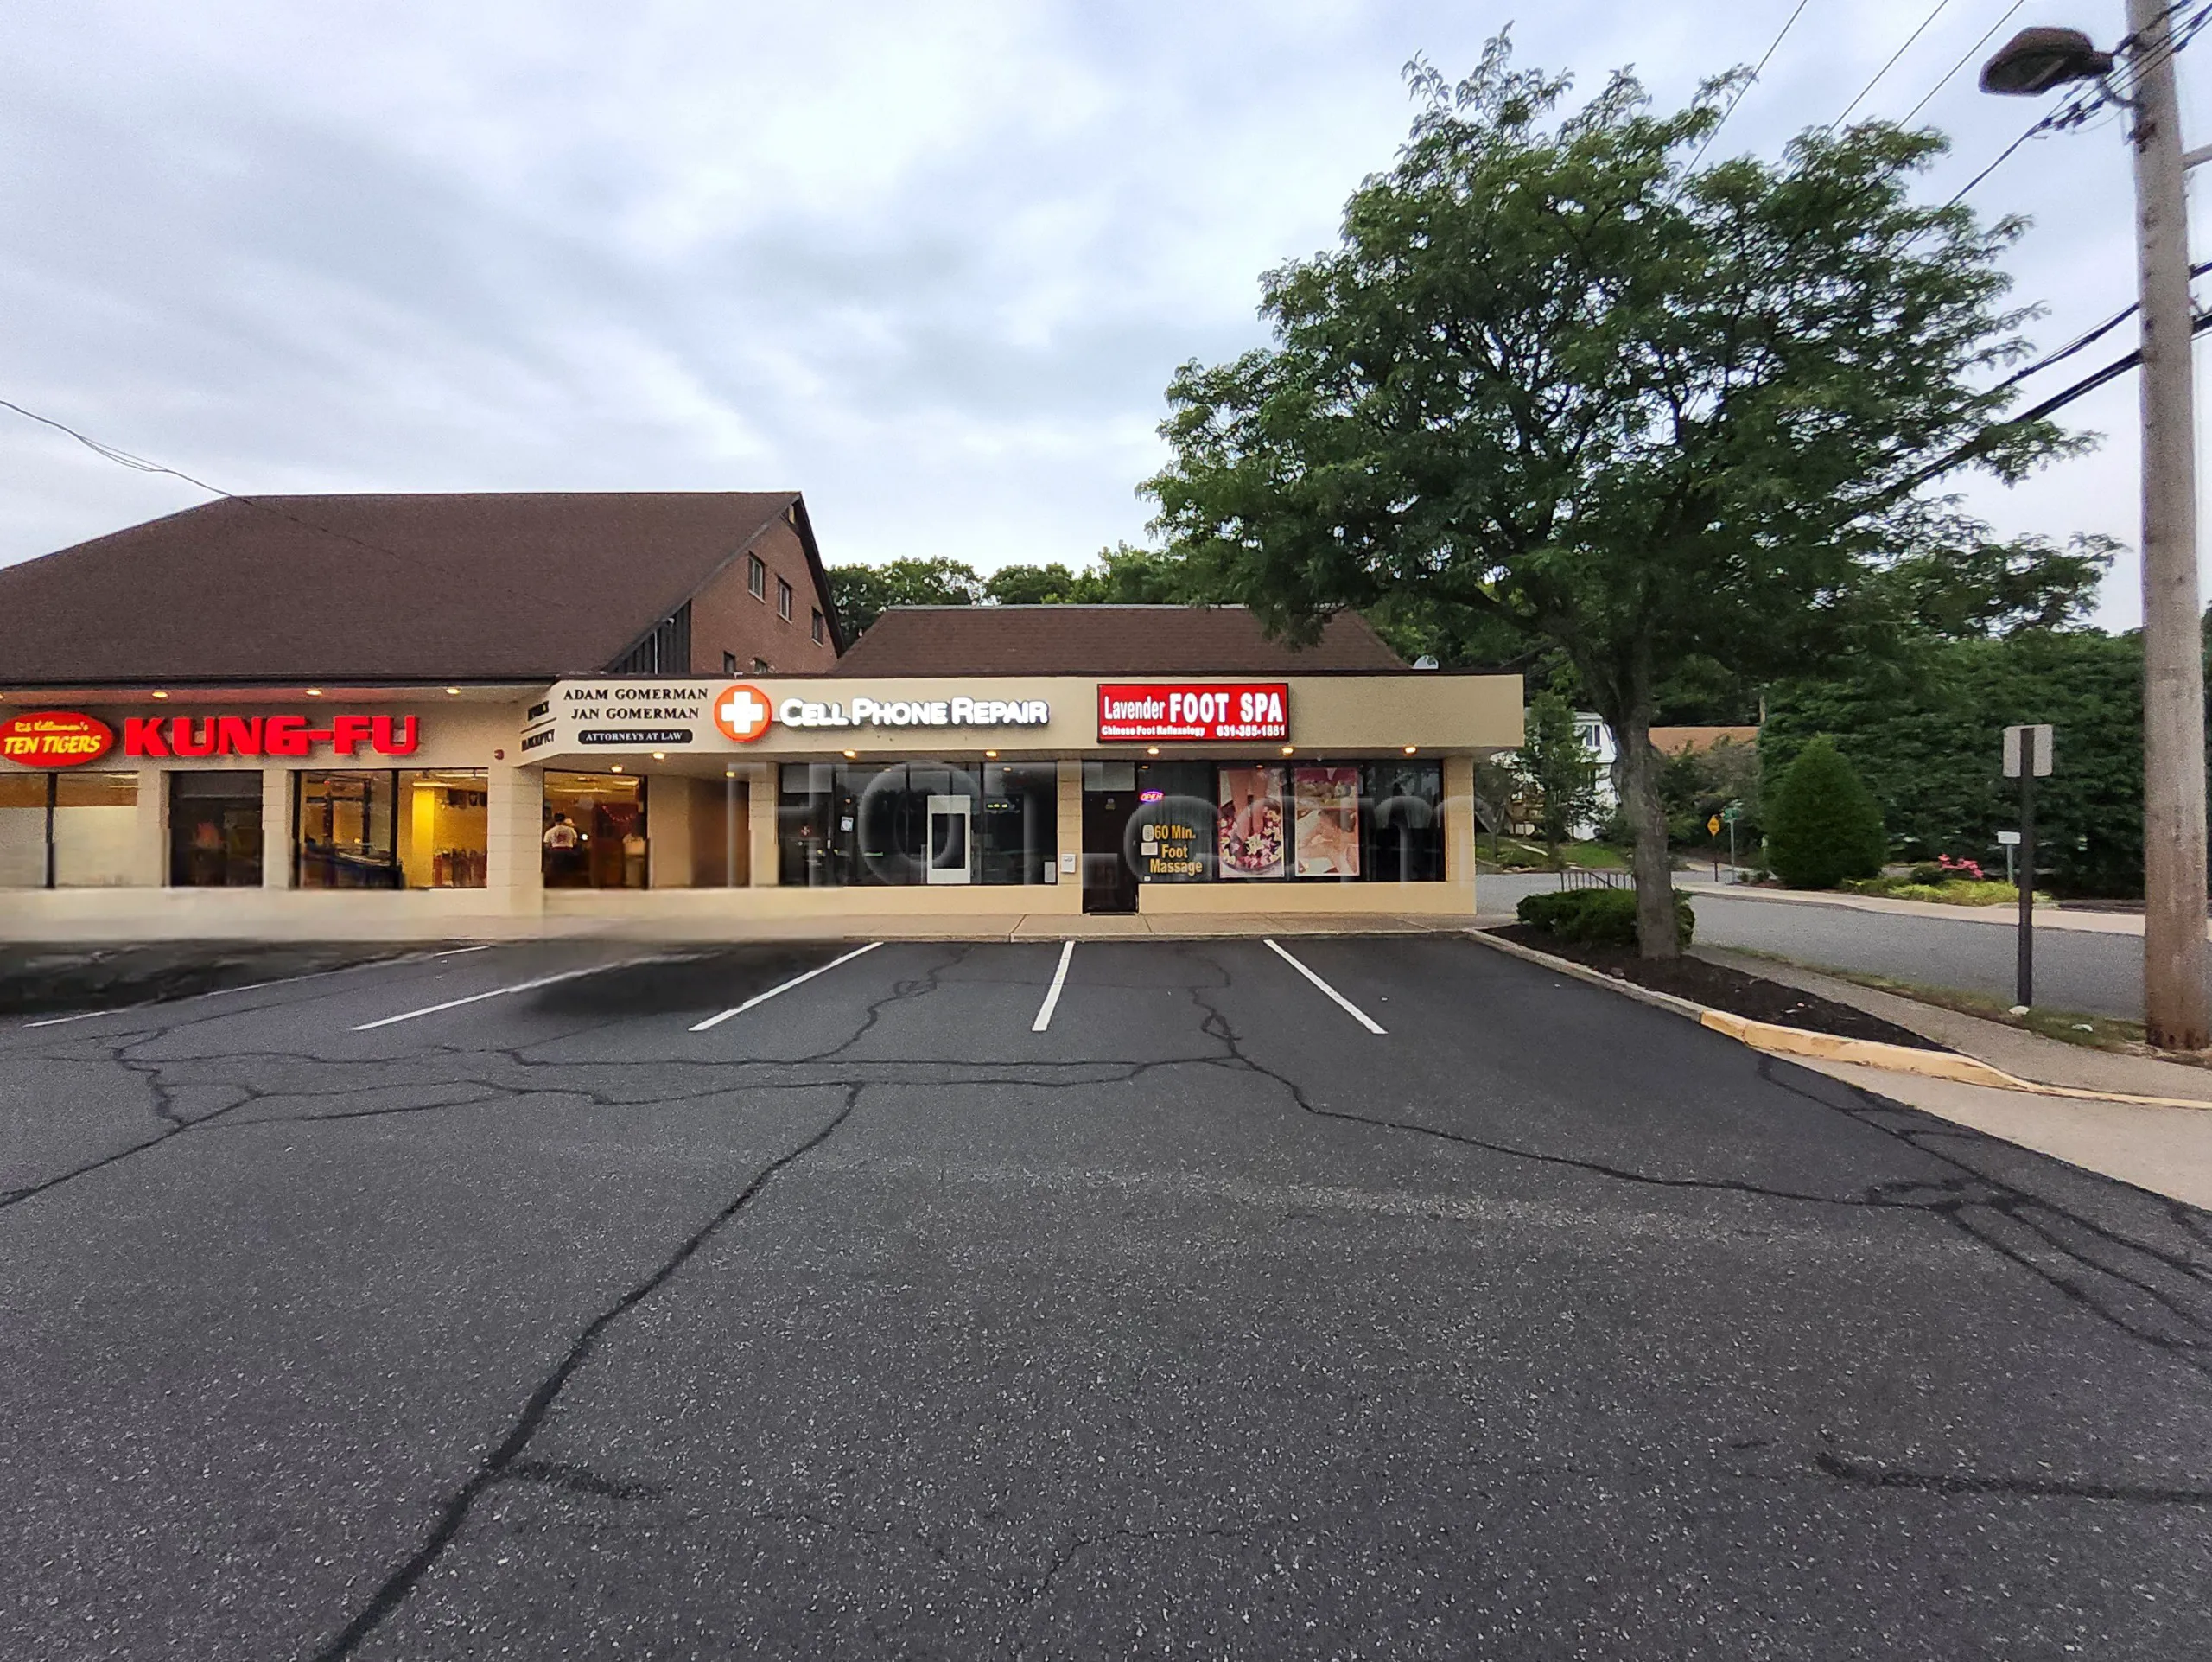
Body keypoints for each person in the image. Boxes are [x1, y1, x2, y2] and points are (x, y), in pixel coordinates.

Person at [543, 813, 580, 885]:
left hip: (555, 853)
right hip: (568, 852)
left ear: (554, 820)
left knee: (555, 872)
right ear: (564, 820)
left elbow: (547, 844)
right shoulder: (571, 830)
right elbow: (575, 842)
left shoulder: (550, 831)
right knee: (568, 872)